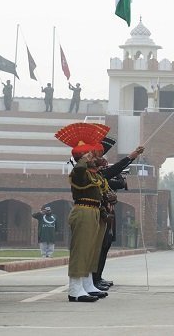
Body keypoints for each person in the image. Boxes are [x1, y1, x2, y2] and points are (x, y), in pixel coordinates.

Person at [54, 122, 113, 302]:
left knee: (91, 250)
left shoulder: (93, 173)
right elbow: (79, 170)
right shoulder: (79, 172)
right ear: (84, 157)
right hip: (83, 210)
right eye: (93, 154)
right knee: (81, 250)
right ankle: (74, 289)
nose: (97, 157)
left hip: (95, 211)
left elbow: (100, 191)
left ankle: (87, 284)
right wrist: (83, 159)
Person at [92, 139, 144, 290]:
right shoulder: (90, 174)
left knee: (105, 246)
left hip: (106, 214)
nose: (102, 160)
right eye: (99, 157)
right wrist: (132, 156)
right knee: (98, 249)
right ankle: (93, 279)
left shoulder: (100, 175)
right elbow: (114, 170)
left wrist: (120, 173)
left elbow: (119, 182)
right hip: (98, 214)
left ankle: (97, 278)